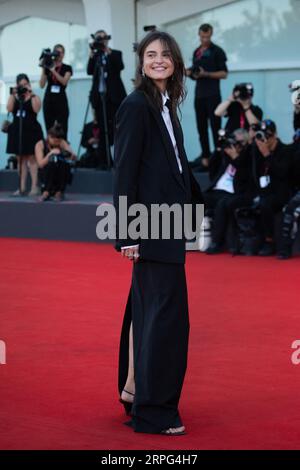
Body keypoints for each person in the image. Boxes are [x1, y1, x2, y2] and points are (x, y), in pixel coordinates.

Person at [114, 30, 203, 436]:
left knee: (147, 313)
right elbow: (125, 171)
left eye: (165, 55)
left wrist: (198, 214)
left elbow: (179, 167)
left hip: (167, 225)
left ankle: (135, 391)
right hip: (150, 228)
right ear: (141, 62)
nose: (159, 60)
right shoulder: (136, 106)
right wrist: (126, 232)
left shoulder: (166, 105)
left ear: (176, 61)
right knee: (165, 321)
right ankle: (154, 411)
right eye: (151, 55)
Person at [186, 23, 228, 171]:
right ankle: (205, 157)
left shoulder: (217, 51)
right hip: (199, 95)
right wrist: (190, 73)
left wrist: (207, 74)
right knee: (201, 127)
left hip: (213, 95)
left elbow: (224, 73)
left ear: (211, 35)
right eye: (202, 37)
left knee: (216, 127)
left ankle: (219, 157)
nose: (205, 39)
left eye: (207, 36)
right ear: (199, 35)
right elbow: (195, 74)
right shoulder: (197, 52)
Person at [203, 129, 253, 254]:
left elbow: (245, 179)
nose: (236, 145)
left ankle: (216, 242)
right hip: (216, 190)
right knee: (193, 197)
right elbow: (212, 169)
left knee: (222, 204)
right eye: (234, 141)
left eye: (239, 142)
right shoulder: (226, 155)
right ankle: (185, 236)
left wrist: (236, 157)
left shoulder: (248, 156)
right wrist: (219, 149)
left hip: (233, 193)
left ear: (246, 143)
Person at [249, 120, 293, 256]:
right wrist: (257, 149)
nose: (265, 139)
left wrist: (267, 155)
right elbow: (255, 174)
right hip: (264, 192)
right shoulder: (258, 151)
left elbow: (282, 173)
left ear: (274, 135)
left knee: (265, 204)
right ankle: (253, 242)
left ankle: (269, 240)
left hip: (282, 193)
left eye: (267, 135)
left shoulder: (285, 150)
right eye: (262, 136)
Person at [87, 30, 126, 168]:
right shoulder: (96, 56)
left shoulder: (115, 53)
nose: (102, 41)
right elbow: (89, 71)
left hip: (114, 97)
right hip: (100, 98)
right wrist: (92, 54)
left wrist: (107, 50)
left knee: (118, 129)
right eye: (99, 39)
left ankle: (121, 160)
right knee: (103, 129)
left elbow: (119, 67)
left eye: (104, 38)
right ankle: (104, 161)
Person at [6, 73, 43, 196]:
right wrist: (13, 94)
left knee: (32, 159)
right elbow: (9, 108)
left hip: (31, 130)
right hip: (17, 130)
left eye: (25, 84)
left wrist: (30, 93)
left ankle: (34, 186)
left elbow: (37, 109)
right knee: (20, 160)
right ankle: (21, 187)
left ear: (29, 84)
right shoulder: (16, 97)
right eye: (20, 85)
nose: (23, 87)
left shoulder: (33, 96)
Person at [35, 123, 76, 202]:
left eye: (58, 141)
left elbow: (72, 156)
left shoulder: (62, 142)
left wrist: (71, 155)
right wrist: (50, 154)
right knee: (52, 161)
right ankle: (46, 192)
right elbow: (40, 164)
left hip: (60, 170)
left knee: (65, 163)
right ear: (49, 137)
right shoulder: (40, 145)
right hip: (46, 171)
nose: (57, 143)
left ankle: (59, 192)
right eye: (55, 141)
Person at [39, 44, 73, 139]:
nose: (59, 54)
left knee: (62, 129)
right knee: (50, 130)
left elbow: (64, 82)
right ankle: (51, 152)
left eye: (61, 52)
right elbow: (41, 85)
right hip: (49, 100)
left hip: (61, 100)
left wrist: (53, 70)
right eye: (57, 52)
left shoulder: (67, 68)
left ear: (64, 54)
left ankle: (63, 151)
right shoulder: (48, 66)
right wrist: (44, 68)